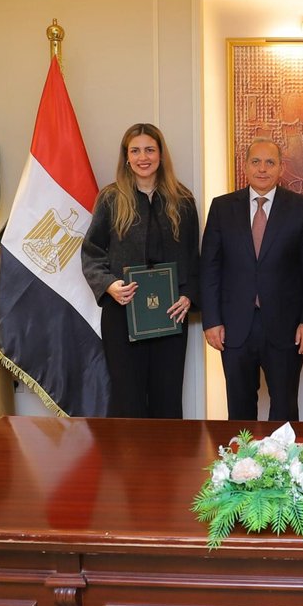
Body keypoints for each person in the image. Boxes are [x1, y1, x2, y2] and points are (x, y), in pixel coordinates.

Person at [82, 123, 199, 418]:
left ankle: (166, 451)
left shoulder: (182, 200)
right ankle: (127, 452)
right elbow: (92, 252)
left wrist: (188, 295)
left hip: (171, 314)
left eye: (149, 150)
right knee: (127, 399)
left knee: (167, 398)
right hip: (123, 313)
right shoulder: (110, 198)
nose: (142, 157)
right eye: (135, 151)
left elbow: (193, 257)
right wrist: (109, 285)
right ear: (126, 157)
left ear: (161, 154)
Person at [201, 138, 303, 421]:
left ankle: (282, 454)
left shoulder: (302, 208)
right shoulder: (222, 208)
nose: (262, 169)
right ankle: (243, 454)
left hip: (286, 325)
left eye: (270, 162)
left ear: (281, 168)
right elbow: (210, 268)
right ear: (245, 166)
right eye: (256, 162)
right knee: (239, 409)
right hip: (234, 326)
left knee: (284, 408)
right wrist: (212, 321)